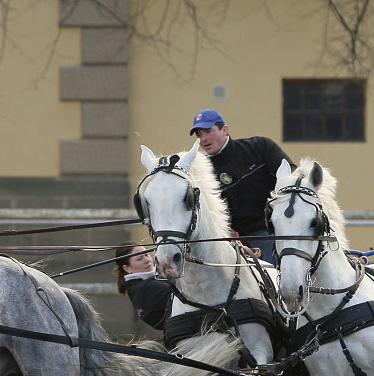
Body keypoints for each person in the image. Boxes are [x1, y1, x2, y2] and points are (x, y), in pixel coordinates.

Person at [189, 108, 293, 264]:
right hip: (241, 239)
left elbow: (293, 177)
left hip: (281, 226)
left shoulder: (260, 147)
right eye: (199, 135)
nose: (203, 139)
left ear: (225, 130)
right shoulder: (202, 172)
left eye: (208, 131)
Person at [114, 241, 173, 330]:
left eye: (146, 254)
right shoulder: (144, 288)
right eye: (139, 259)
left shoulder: (157, 277)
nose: (147, 260)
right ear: (127, 268)